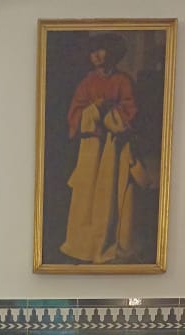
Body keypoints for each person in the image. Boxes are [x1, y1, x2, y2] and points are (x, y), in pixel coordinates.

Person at [59, 33, 142, 264]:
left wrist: (110, 113)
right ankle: (84, 245)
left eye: (101, 49)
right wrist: (93, 111)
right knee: (86, 197)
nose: (96, 55)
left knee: (109, 195)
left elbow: (131, 111)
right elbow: (74, 115)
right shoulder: (86, 83)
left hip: (112, 149)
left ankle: (106, 242)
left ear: (112, 52)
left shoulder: (123, 81)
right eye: (92, 51)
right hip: (91, 148)